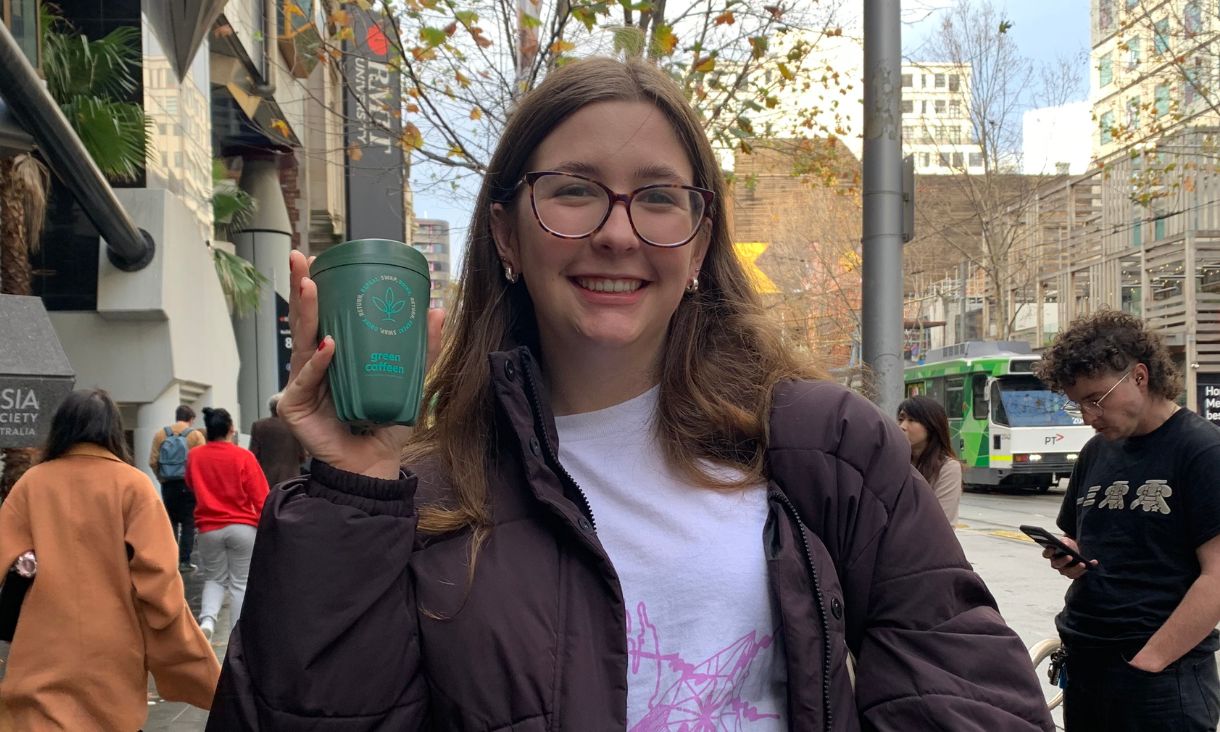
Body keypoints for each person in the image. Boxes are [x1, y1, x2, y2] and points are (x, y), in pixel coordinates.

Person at [208, 58, 1052, 730]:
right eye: (573, 190)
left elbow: (966, 686)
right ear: (504, 231)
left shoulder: (822, 442)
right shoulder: (416, 491)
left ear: (699, 241)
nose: (618, 232)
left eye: (657, 198)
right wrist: (351, 496)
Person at [1034, 309, 1220, 731]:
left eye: (1096, 399)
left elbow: (1218, 576)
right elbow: (1086, 539)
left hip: (1161, 678)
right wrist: (1070, 556)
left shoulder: (1201, 451)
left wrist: (1149, 663)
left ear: (1139, 376)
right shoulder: (1096, 453)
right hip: (1085, 665)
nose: (1087, 416)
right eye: (1077, 403)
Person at [0, 389, 219, 729]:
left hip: (41, 639)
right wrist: (169, 635)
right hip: (114, 642)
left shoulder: (32, 484)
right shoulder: (134, 486)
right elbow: (159, 577)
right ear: (112, 431)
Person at [184, 407, 269, 640]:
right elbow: (260, 496)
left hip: (208, 527)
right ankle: (237, 632)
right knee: (240, 583)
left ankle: (208, 619)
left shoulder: (195, 456)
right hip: (243, 527)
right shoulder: (243, 457)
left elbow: (191, 484)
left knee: (214, 578)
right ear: (231, 430)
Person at [149, 403, 206, 571]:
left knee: (171, 522)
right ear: (191, 419)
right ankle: (184, 562)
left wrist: (162, 478)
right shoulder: (195, 435)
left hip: (168, 484)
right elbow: (201, 463)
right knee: (189, 522)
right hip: (188, 484)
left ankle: (171, 559)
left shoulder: (161, 434)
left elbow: (152, 461)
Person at [897, 395, 963, 525]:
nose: (902, 426)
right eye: (901, 419)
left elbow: (940, 523)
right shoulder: (894, 461)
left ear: (931, 426)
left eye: (911, 420)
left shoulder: (948, 468)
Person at [248, 393, 306, 485]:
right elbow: (302, 456)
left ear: (270, 408)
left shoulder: (258, 426)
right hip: (291, 478)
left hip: (267, 479)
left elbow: (253, 455)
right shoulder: (294, 425)